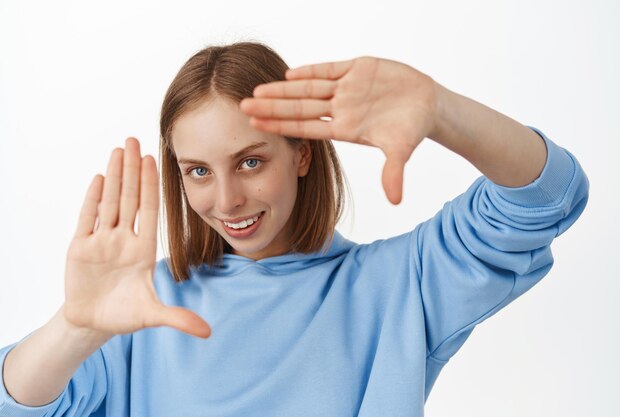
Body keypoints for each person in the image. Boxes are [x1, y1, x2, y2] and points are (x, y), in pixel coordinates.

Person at [0, 41, 589, 417]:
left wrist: (441, 111)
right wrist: (76, 325)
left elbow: (545, 197)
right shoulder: (141, 309)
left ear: (302, 155)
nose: (227, 199)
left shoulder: (397, 286)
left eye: (251, 161)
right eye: (199, 171)